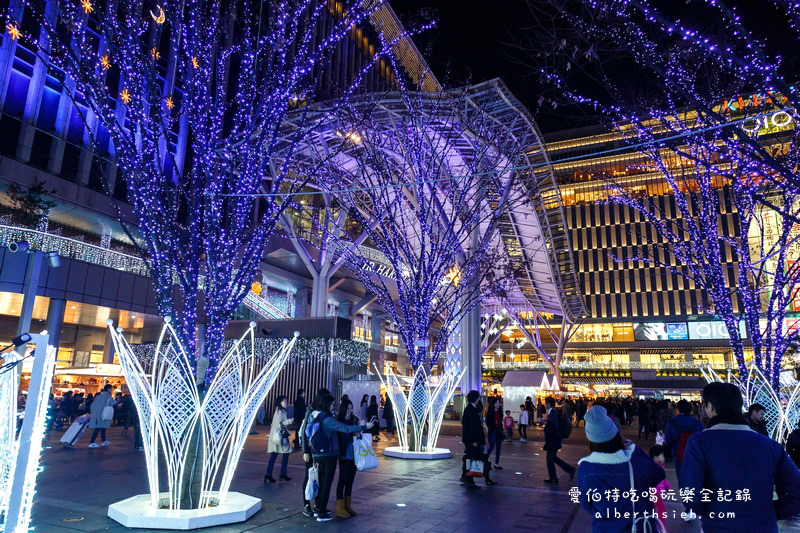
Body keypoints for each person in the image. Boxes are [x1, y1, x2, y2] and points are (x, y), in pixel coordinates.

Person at [681, 382, 800, 530]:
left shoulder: (699, 443)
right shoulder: (771, 446)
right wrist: (770, 511)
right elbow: (797, 491)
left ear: (710, 407)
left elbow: (691, 496)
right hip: (764, 526)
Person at [576, 406, 665, 531]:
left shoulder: (585, 468)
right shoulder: (636, 464)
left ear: (590, 440)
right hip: (638, 527)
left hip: (605, 528)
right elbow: (659, 474)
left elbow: (587, 505)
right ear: (616, 435)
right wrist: (632, 447)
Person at [307, 394, 375, 522]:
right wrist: (364, 427)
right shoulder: (329, 419)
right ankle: (322, 511)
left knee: (329, 482)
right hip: (330, 455)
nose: (334, 407)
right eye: (332, 404)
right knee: (328, 483)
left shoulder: (319, 417)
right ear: (327, 404)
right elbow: (343, 428)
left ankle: (325, 508)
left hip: (326, 454)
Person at [300, 388, 330, 518]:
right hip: (311, 451)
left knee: (320, 478)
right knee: (310, 477)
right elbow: (304, 431)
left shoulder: (325, 411)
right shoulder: (311, 410)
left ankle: (318, 504)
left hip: (321, 452)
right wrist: (305, 451)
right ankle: (306, 505)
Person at [460, 390, 496, 488]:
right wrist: (474, 441)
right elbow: (471, 427)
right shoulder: (471, 410)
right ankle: (470, 479)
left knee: (471, 459)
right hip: (473, 441)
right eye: (479, 398)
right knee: (474, 459)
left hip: (472, 440)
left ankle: (468, 477)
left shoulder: (470, 409)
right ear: (476, 399)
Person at [663, 399, 704, 478]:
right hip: (695, 455)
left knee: (681, 478)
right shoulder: (698, 423)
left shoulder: (672, 422)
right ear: (690, 410)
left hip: (678, 453)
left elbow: (668, 440)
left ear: (678, 409)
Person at [335, 398, 360, 518]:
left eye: (351, 409)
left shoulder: (354, 420)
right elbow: (341, 435)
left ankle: (347, 505)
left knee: (350, 480)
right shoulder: (339, 421)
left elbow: (358, 435)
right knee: (343, 480)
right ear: (343, 409)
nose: (350, 411)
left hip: (354, 454)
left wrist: (358, 434)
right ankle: (340, 507)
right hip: (344, 454)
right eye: (348, 409)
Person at [543, 396, 575, 483]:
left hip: (553, 440)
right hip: (553, 440)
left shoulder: (552, 413)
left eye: (545, 403)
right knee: (552, 458)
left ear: (548, 404)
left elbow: (555, 426)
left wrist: (547, 427)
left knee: (550, 460)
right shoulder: (552, 412)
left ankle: (558, 475)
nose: (544, 404)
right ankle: (557, 475)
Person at [265, 395, 293, 483]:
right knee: (282, 454)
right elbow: (279, 425)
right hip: (278, 437)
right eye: (284, 401)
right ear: (280, 402)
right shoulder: (279, 412)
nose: (286, 403)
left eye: (286, 401)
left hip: (278, 437)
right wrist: (289, 421)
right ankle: (280, 474)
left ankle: (270, 474)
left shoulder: (280, 411)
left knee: (275, 455)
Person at [648, 445, 672, 522]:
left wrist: (666, 486)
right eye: (661, 455)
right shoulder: (655, 467)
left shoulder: (657, 466)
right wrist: (666, 486)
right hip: (654, 493)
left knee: (654, 510)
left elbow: (662, 480)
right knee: (662, 510)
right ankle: (660, 528)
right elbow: (660, 481)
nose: (663, 457)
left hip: (653, 493)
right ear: (655, 457)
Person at [485, 397, 504, 470]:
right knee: (491, 446)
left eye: (499, 403)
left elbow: (500, 421)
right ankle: (485, 459)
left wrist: (501, 429)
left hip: (499, 430)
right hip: (492, 430)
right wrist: (492, 427)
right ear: (493, 404)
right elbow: (487, 422)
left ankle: (496, 463)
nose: (498, 404)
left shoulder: (500, 411)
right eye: (497, 403)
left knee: (498, 447)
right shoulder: (490, 412)